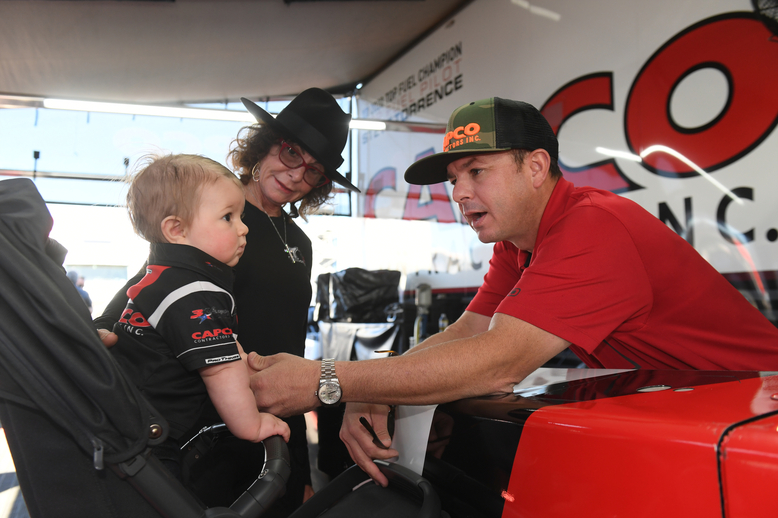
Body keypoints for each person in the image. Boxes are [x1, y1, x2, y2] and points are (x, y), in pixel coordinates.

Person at [245, 96, 778, 486]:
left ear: (537, 167)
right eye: (454, 178)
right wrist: (368, 388)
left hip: (760, 413)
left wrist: (329, 379)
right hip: (701, 412)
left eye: (478, 170)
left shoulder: (594, 225)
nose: (460, 193)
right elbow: (471, 330)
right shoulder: (518, 242)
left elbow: (501, 361)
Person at [95, 88, 359, 514]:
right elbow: (154, 279)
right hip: (208, 419)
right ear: (263, 145)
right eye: (291, 153)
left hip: (277, 415)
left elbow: (290, 337)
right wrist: (101, 328)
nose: (296, 176)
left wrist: (303, 470)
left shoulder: (302, 242)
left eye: (313, 171)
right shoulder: (208, 217)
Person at [109, 153, 289, 478]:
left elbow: (222, 346)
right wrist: (251, 423)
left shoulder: (162, 276)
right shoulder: (194, 290)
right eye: (228, 218)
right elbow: (220, 372)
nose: (243, 228)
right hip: (152, 438)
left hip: (126, 420)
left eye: (241, 216)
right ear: (177, 229)